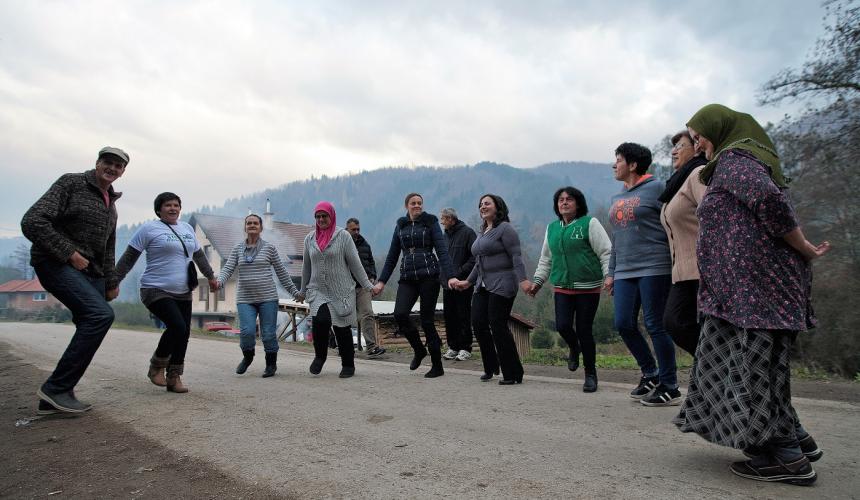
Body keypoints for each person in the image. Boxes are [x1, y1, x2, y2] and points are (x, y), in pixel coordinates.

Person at [673, 104, 830, 485]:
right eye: (692, 139)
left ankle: (786, 457)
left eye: (699, 136)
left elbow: (770, 202)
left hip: (755, 291)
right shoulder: (732, 163)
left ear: (719, 131)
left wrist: (803, 246)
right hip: (744, 291)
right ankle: (792, 442)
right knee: (757, 368)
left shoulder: (734, 160)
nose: (698, 144)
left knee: (754, 370)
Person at [21, 146, 129, 414]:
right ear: (97, 163)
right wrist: (68, 253)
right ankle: (56, 388)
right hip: (54, 262)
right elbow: (32, 221)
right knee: (99, 316)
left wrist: (111, 282)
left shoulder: (111, 205)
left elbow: (108, 249)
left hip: (90, 271)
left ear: (123, 171)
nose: (112, 168)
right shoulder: (71, 183)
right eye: (108, 162)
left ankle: (57, 395)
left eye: (118, 166)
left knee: (92, 321)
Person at [116, 192, 217, 393]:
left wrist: (211, 277)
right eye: (168, 205)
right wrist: (113, 282)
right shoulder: (148, 229)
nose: (173, 208)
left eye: (176, 205)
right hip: (154, 288)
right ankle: (157, 366)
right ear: (159, 209)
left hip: (183, 291)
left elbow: (199, 256)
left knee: (184, 333)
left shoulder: (187, 229)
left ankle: (174, 377)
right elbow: (129, 258)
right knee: (177, 326)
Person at [604, 142, 680, 406]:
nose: (614, 165)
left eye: (618, 160)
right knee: (623, 323)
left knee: (654, 324)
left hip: (655, 266)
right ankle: (650, 373)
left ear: (633, 164)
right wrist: (612, 272)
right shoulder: (617, 197)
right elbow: (617, 238)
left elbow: (675, 222)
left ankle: (669, 384)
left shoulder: (658, 188)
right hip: (624, 269)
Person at [529, 187, 611, 393]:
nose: (564, 203)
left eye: (569, 199)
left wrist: (609, 276)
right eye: (560, 200)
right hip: (562, 287)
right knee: (563, 326)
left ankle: (590, 375)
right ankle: (574, 347)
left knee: (584, 330)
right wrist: (538, 282)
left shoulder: (589, 224)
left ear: (578, 203)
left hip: (588, 287)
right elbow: (546, 258)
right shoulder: (552, 228)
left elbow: (605, 252)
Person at [372, 193, 457, 378]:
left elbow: (442, 251)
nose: (417, 205)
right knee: (400, 314)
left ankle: (437, 366)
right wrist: (381, 281)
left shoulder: (431, 222)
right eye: (413, 203)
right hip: (408, 277)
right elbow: (392, 256)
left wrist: (450, 276)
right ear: (407, 206)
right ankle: (419, 350)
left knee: (427, 321)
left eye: (420, 203)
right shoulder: (400, 225)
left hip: (429, 277)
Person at [452, 194, 530, 385]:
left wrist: (523, 280)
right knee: (478, 323)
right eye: (480, 204)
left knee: (498, 326)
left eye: (487, 203)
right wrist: (467, 282)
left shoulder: (505, 229)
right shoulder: (483, 231)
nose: (482, 206)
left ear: (498, 207)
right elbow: (478, 263)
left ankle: (513, 373)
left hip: (503, 283)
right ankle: (491, 365)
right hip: (483, 285)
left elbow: (516, 257)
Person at [217, 214, 303, 378]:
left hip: (268, 298)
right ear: (245, 227)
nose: (252, 225)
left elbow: (281, 272)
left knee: (268, 333)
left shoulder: (269, 248)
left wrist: (295, 292)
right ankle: (248, 357)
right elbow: (227, 269)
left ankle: (271, 364)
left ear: (261, 228)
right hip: (245, 299)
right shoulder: (237, 249)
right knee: (247, 331)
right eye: (249, 223)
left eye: (255, 223)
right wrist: (219, 283)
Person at [302, 202, 375, 378]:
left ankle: (348, 364)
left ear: (331, 216)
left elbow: (355, 264)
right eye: (318, 217)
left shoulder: (343, 236)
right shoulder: (310, 239)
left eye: (324, 216)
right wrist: (302, 290)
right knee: (320, 321)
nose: (321, 219)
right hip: (317, 290)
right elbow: (306, 267)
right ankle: (320, 357)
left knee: (342, 327)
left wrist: (367, 285)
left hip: (341, 291)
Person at [659, 131, 708, 356]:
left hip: (702, 269)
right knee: (674, 324)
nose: (674, 150)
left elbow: (713, 214)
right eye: (674, 146)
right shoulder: (676, 183)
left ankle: (715, 370)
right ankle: (713, 370)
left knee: (679, 324)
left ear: (697, 147)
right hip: (681, 272)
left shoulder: (698, 174)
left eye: (680, 145)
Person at [439, 207, 477, 361]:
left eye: (443, 219)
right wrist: (445, 278)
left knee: (463, 315)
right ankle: (453, 347)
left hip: (463, 283)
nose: (442, 222)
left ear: (450, 219)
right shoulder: (444, 236)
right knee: (450, 316)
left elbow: (474, 258)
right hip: (448, 284)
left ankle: (465, 348)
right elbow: (443, 259)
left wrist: (460, 274)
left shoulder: (468, 233)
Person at [345, 217, 385, 357]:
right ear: (347, 229)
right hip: (345, 286)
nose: (356, 232)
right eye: (353, 229)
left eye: (358, 229)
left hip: (363, 286)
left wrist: (372, 277)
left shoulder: (364, 244)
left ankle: (371, 347)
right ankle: (343, 346)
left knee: (367, 313)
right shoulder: (341, 243)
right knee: (344, 316)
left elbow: (371, 262)